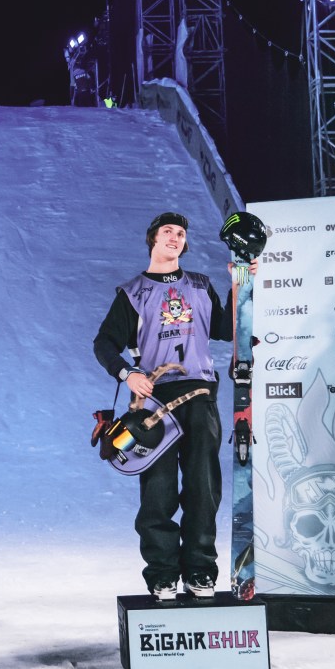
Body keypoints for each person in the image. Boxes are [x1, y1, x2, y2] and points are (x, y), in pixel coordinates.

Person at [92, 212, 256, 601]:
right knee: (159, 491)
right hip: (153, 404)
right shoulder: (133, 292)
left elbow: (223, 327)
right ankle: (163, 573)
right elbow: (103, 342)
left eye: (181, 233)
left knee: (203, 486)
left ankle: (200, 571)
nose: (175, 237)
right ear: (152, 239)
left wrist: (244, 279)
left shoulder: (199, 285)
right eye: (167, 231)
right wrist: (126, 374)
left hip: (199, 394)